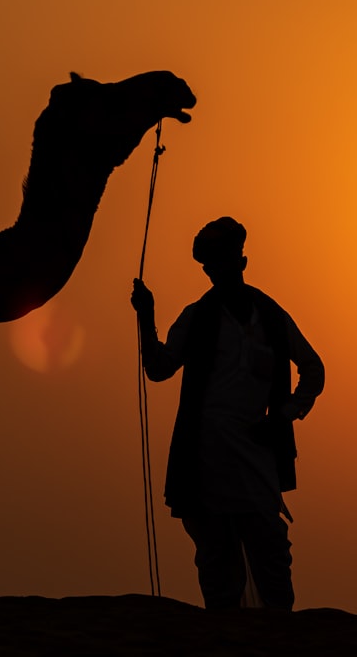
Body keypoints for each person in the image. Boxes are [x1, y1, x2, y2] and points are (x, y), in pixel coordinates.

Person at [131, 216, 324, 611]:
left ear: (242, 261)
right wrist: (146, 317)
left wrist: (285, 414)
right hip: (205, 453)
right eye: (211, 264)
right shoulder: (198, 316)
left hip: (257, 450)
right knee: (217, 558)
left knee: (271, 552)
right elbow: (160, 367)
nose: (218, 270)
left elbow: (313, 369)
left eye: (225, 260)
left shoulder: (269, 314)